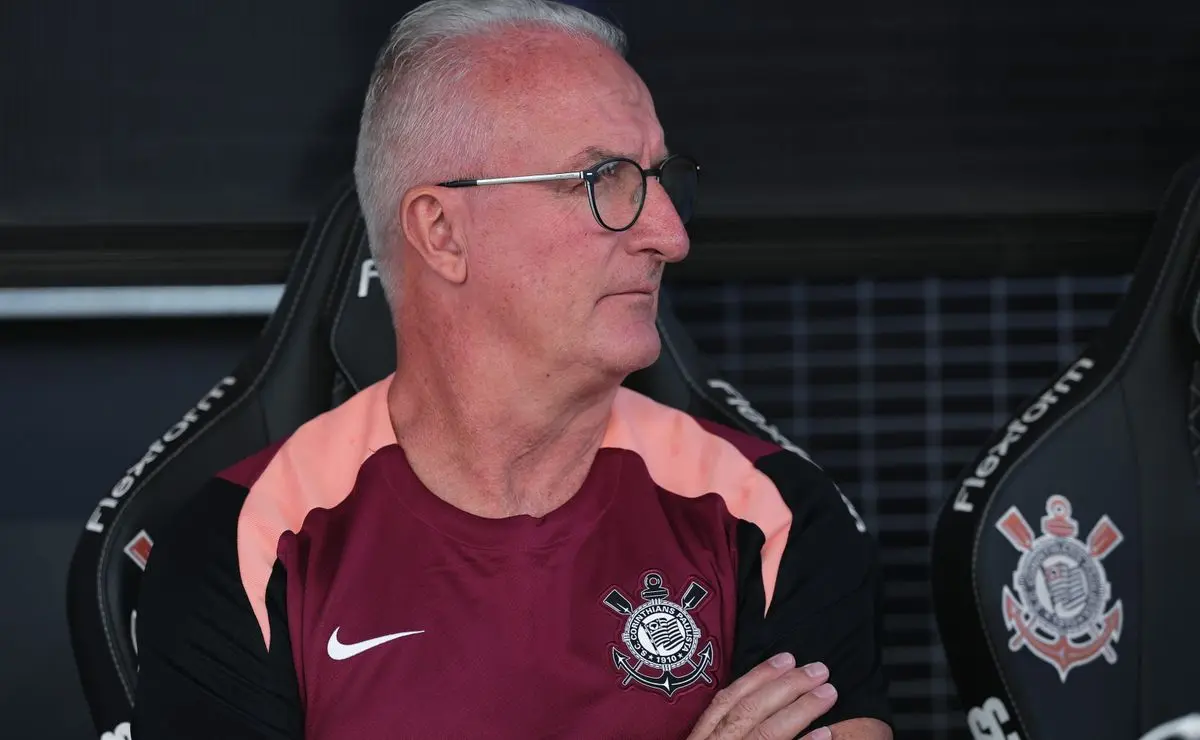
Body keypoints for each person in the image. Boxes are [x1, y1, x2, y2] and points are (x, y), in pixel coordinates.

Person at [130, 1, 893, 738]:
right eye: (603, 180)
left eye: (662, 179)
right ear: (442, 233)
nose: (669, 235)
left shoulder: (770, 514)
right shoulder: (246, 544)